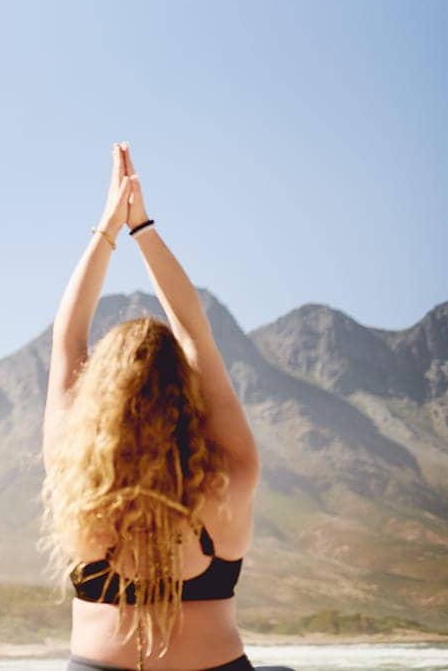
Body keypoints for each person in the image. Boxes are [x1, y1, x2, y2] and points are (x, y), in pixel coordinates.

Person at [42, 143, 274, 671]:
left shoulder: (74, 479)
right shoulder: (231, 475)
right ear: (183, 391)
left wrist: (107, 228)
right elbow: (198, 335)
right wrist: (142, 227)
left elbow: (68, 339)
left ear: (99, 400)